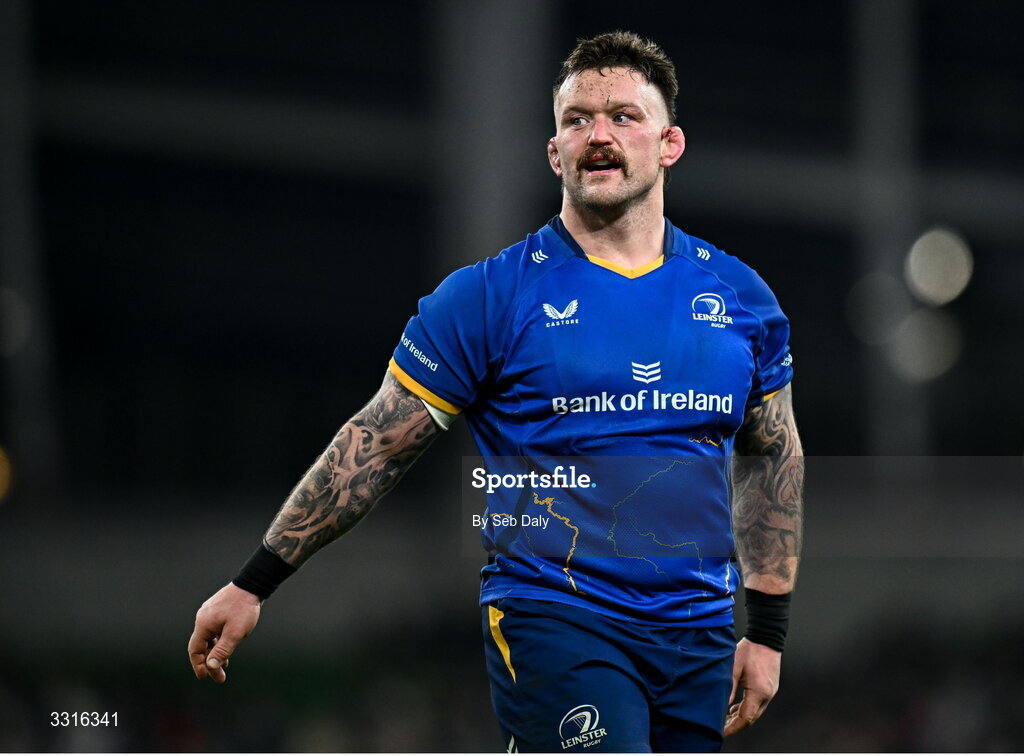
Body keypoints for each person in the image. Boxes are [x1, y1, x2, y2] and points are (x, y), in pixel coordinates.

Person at [188, 30, 804, 753]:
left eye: (622, 117)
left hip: (698, 632)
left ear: (669, 144)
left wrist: (765, 632)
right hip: (557, 616)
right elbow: (375, 445)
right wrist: (255, 581)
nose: (597, 135)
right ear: (554, 152)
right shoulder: (488, 298)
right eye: (577, 120)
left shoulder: (740, 296)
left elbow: (773, 456)